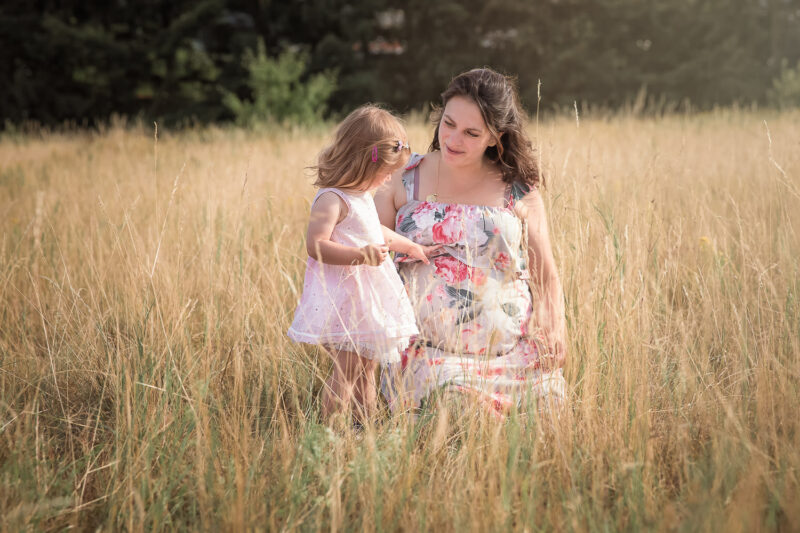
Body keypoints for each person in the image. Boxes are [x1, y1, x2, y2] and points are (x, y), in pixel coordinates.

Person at [375, 68, 567, 414]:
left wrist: (554, 327)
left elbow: (545, 274)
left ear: (496, 137)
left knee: (551, 413)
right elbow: (366, 259)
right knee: (460, 408)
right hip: (426, 354)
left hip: (511, 357)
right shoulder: (401, 180)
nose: (453, 139)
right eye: (448, 124)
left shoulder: (519, 189)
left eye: (471, 132)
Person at [288, 105, 441, 423]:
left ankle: (364, 430)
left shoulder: (362, 197)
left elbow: (377, 231)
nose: (388, 180)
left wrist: (412, 247)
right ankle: (325, 432)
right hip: (346, 302)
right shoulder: (331, 199)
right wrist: (360, 256)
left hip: (366, 302)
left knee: (367, 369)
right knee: (346, 372)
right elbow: (315, 244)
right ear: (361, 160)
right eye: (385, 172)